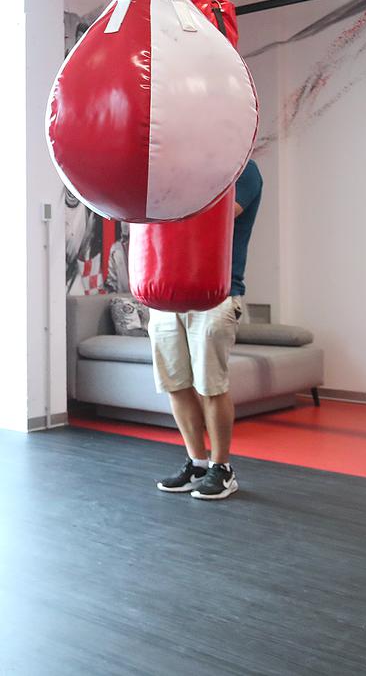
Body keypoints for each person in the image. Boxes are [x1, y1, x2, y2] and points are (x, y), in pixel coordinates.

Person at [151, 159, 263, 500]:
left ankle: (222, 469)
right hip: (167, 291)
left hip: (217, 292)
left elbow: (217, 216)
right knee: (175, 383)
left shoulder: (243, 170)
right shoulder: (179, 170)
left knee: (210, 386)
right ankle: (197, 463)